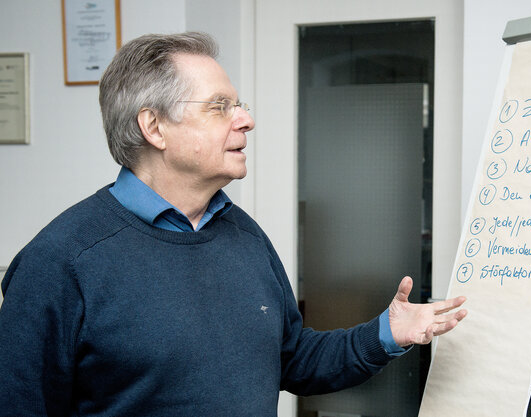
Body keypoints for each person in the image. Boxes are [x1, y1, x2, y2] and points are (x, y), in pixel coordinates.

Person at [0, 32, 467, 416]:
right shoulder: (60, 262)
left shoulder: (244, 236)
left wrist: (386, 333)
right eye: (219, 106)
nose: (246, 119)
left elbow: (293, 360)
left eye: (237, 104)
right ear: (154, 127)